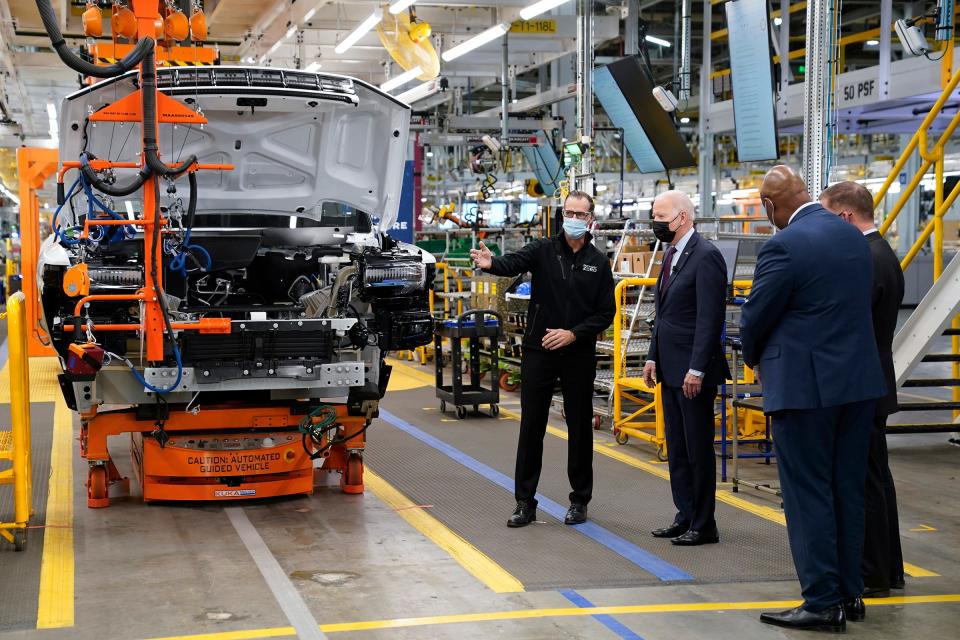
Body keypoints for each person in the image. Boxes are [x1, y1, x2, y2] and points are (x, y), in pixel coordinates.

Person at [740, 166, 886, 633]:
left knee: (808, 495)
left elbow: (756, 316)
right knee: (847, 489)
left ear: (769, 206)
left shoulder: (782, 245)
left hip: (805, 389)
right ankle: (850, 592)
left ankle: (822, 601)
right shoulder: (853, 237)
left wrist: (754, 357)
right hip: (858, 385)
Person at [470, 191, 615, 528]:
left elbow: (606, 311)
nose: (574, 219)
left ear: (590, 219)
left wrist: (574, 333)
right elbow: (512, 262)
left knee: (580, 427)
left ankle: (579, 501)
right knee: (532, 426)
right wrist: (491, 264)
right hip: (540, 350)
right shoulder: (543, 250)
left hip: (577, 353)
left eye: (580, 214)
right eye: (569, 212)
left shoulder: (599, 261)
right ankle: (524, 503)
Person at [820, 181, 906, 597]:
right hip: (875, 383)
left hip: (863, 388)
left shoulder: (866, 259)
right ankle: (888, 568)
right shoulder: (881, 253)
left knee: (865, 483)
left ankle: (872, 573)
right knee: (877, 480)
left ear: (844, 217)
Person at [642, 190, 729, 546]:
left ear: (683, 218)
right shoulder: (671, 254)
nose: (656, 223)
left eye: (661, 217)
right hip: (669, 366)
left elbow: (711, 319)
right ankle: (685, 515)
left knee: (697, 449)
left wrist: (697, 369)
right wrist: (651, 356)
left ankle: (704, 523)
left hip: (694, 372)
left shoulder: (706, 256)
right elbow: (662, 316)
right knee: (677, 448)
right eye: (654, 217)